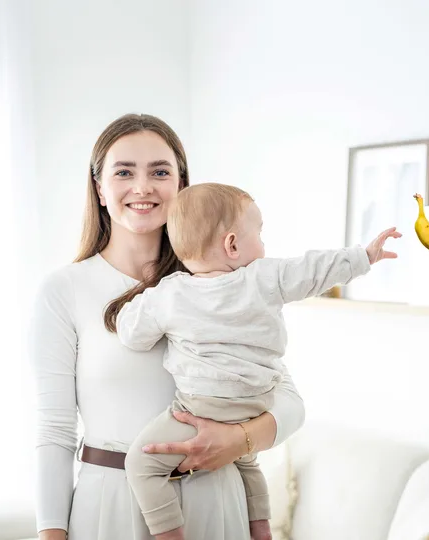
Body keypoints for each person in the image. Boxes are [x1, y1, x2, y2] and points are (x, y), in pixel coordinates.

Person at [32, 114, 304, 540]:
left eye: (160, 172)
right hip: (111, 504)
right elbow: (55, 431)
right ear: (99, 188)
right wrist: (51, 534)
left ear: (182, 186)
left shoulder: (227, 281)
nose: (143, 187)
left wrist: (240, 440)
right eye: (124, 172)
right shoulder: (64, 290)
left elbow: (287, 399)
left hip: (217, 499)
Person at [116, 182, 399, 540]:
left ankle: (170, 535)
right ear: (232, 245)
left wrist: (132, 309)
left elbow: (133, 335)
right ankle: (262, 528)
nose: (263, 245)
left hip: (200, 407)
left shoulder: (169, 294)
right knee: (246, 462)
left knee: (140, 464)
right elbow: (312, 270)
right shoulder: (264, 278)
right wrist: (363, 257)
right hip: (256, 403)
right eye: (260, 234)